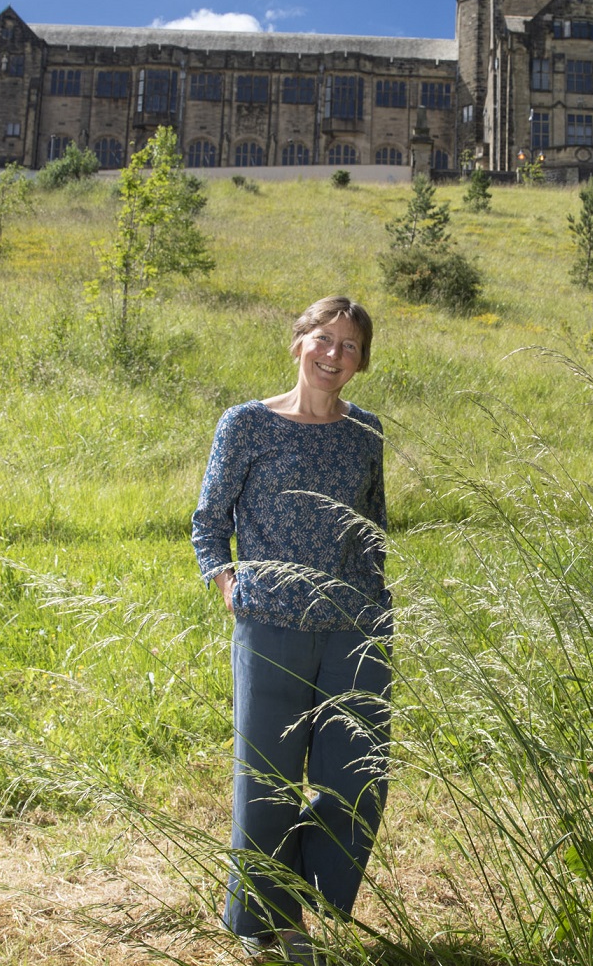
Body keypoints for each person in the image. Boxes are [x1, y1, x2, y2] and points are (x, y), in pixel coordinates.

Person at [192, 296, 390, 962]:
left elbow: (373, 528)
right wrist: (226, 581)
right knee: (267, 779)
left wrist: (377, 606)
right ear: (298, 342)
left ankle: (296, 891)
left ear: (362, 362)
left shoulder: (365, 432)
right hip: (269, 621)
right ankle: (269, 922)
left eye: (350, 346)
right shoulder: (246, 424)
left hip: (353, 626)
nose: (335, 354)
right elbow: (207, 520)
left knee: (358, 776)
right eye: (324, 339)